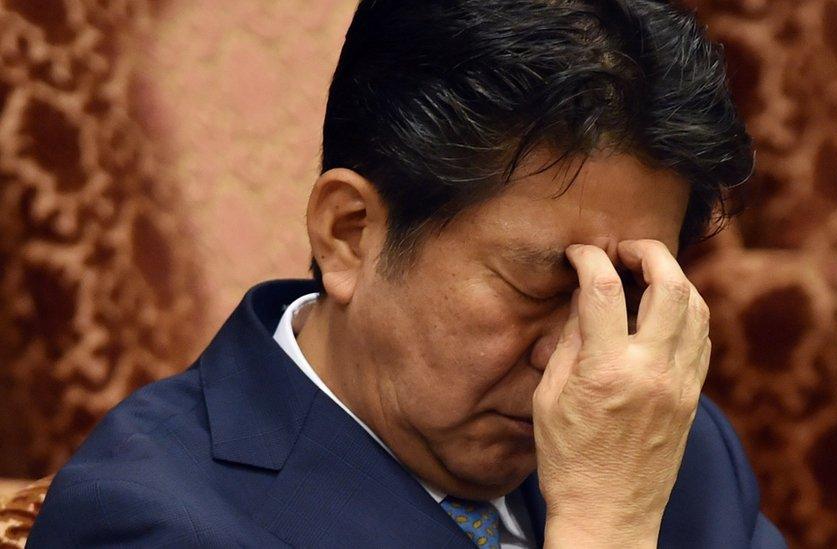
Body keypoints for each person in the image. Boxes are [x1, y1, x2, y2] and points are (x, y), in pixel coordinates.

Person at [28, 0, 787, 547]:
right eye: (538, 284)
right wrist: (604, 530)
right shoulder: (151, 520)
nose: (578, 360)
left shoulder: (665, 449)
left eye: (618, 292)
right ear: (350, 233)